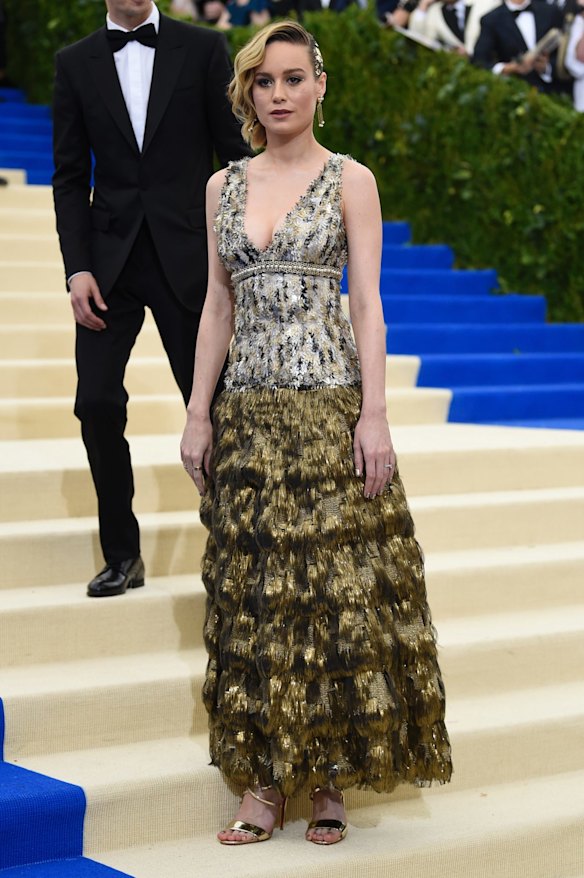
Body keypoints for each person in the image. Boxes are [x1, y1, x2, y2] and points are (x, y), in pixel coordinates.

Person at [180, 20, 452, 845]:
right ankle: (264, 784)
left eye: (293, 78)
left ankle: (329, 778)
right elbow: (217, 305)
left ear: (320, 85)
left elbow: (367, 303)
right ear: (248, 93)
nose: (279, 94)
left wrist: (376, 413)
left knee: (334, 596)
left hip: (331, 409)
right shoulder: (222, 186)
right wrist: (197, 412)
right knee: (258, 597)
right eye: (264, 81)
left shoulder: (350, 180)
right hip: (248, 417)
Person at [52, 0, 250, 598]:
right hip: (108, 264)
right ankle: (122, 554)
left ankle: (237, 553)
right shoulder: (75, 62)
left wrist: (237, 254)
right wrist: (77, 268)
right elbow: (69, 175)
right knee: (96, 403)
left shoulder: (204, 47)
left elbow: (235, 158)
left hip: (188, 256)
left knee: (213, 405)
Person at [473, 0, 564, 92]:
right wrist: (509, 68)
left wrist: (546, 67)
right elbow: (479, 61)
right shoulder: (491, 19)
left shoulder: (551, 11)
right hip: (512, 91)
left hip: (552, 92)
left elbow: (564, 56)